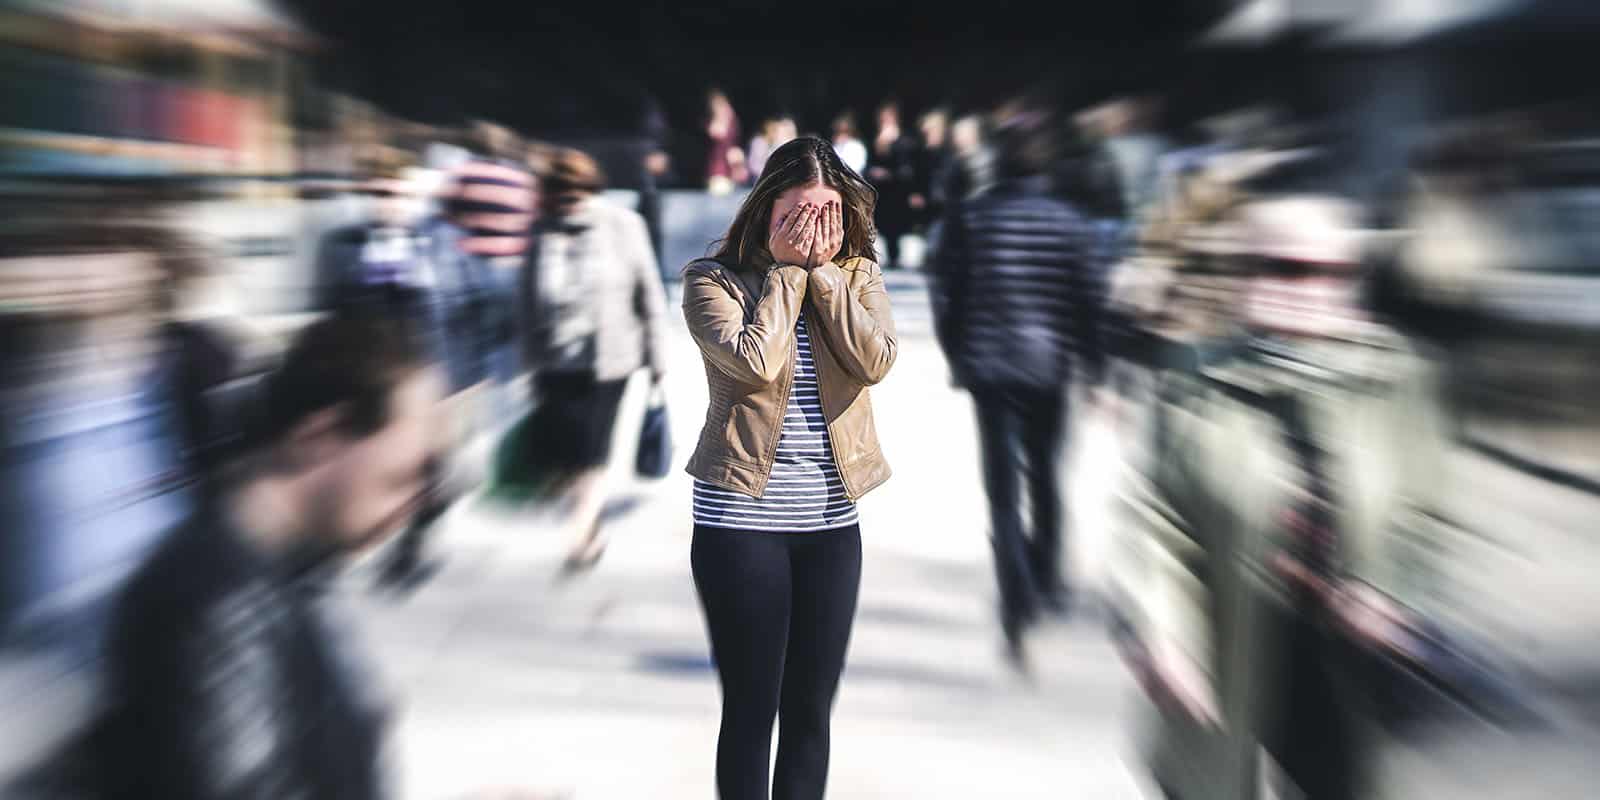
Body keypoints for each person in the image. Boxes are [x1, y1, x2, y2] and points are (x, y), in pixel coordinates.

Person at [93, 316, 445, 799]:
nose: (417, 503)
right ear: (318, 437)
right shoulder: (214, 606)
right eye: (399, 478)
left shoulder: (290, 571)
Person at [681, 135, 896, 800]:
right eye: (796, 212)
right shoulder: (712, 280)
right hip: (741, 522)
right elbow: (753, 362)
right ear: (764, 208)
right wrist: (784, 274)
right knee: (751, 712)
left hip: (832, 524)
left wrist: (824, 275)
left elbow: (875, 360)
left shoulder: (857, 275)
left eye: (827, 212)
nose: (812, 227)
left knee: (811, 714)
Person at [929, 108, 1107, 664]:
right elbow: (1090, 300)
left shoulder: (971, 218)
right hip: (1048, 368)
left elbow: (947, 293)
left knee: (1002, 492)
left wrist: (958, 352)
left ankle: (1015, 597)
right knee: (1047, 477)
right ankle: (1045, 579)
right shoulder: (1070, 222)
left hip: (990, 368)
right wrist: (1095, 366)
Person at [522, 148, 669, 571]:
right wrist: (528, 363)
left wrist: (658, 356)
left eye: (577, 192)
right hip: (555, 362)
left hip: (610, 361)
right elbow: (526, 301)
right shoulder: (541, 231)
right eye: (561, 194)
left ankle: (582, 533)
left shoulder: (623, 226)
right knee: (569, 453)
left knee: (592, 449)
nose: (571, 201)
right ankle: (585, 517)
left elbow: (649, 292)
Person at [866, 101, 920, 269]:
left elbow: (907, 168)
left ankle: (896, 257)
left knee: (896, 226)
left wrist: (889, 173)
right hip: (882, 192)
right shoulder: (877, 139)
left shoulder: (903, 140)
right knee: (885, 224)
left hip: (898, 191)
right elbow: (870, 164)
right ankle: (890, 257)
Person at [706, 89, 747, 194]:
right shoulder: (714, 120)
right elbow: (715, 132)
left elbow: (721, 133)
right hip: (718, 172)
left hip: (732, 171)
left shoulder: (731, 120)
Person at [746, 115, 797, 185]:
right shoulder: (758, 142)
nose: (775, 133)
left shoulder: (778, 143)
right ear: (766, 127)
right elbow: (754, 166)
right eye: (773, 129)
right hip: (758, 181)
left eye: (776, 130)